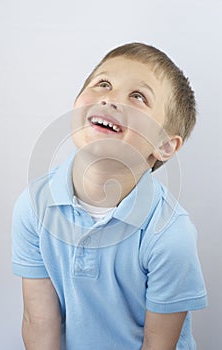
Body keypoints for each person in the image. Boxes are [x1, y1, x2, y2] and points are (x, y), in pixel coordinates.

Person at [11, 42, 207, 350]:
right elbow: (39, 323)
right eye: (104, 83)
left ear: (165, 146)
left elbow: (158, 344)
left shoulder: (170, 235)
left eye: (137, 96)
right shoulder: (34, 207)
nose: (110, 98)